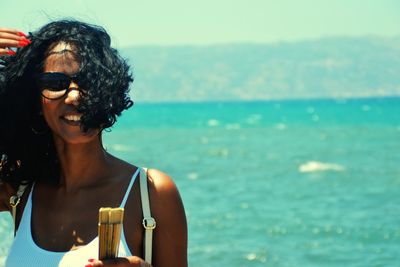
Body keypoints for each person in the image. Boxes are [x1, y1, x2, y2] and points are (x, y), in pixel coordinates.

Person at [0, 20, 187, 267]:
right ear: (34, 98)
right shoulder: (20, 188)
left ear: (109, 91)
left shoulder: (151, 193)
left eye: (89, 82)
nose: (75, 95)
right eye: (56, 83)